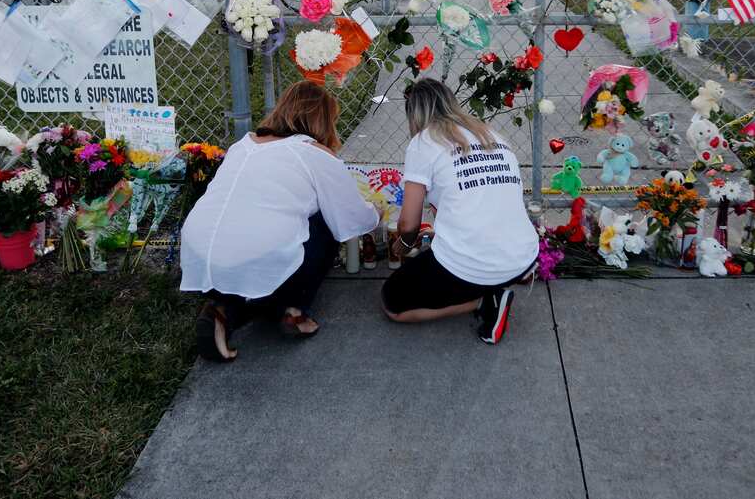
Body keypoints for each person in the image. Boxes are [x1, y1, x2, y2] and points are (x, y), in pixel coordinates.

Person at [180, 81, 378, 362]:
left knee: (255, 249)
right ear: (322, 120)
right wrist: (377, 212)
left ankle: (222, 311)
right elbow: (350, 218)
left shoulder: (243, 144)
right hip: (257, 253)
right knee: (325, 222)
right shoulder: (313, 153)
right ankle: (293, 308)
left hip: (200, 255)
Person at [381, 78, 538, 344]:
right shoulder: (491, 134)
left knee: (393, 302)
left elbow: (409, 224)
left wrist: (403, 245)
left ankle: (484, 301)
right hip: (523, 253)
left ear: (415, 113)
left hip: (472, 262)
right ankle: (495, 282)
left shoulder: (423, 142)